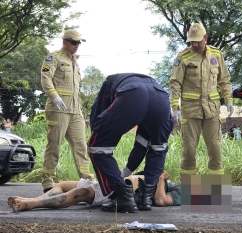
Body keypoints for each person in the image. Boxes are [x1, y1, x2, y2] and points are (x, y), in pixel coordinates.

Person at [88, 73, 174, 213]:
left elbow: (98, 116)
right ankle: (145, 198)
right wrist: (125, 172)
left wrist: (99, 135)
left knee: (97, 147)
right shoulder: (142, 90)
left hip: (132, 93)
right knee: (158, 148)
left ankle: (122, 197)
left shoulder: (108, 83)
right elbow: (142, 144)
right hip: (160, 97)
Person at [169, 23, 234, 176]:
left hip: (212, 110)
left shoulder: (216, 55)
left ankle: (215, 193)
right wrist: (174, 108)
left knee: (215, 149)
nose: (195, 44)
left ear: (206, 38)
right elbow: (175, 82)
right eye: (192, 41)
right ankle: (190, 193)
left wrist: (229, 100)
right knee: (189, 150)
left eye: (198, 41)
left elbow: (224, 79)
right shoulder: (183, 57)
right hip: (190, 112)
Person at [40, 29, 95, 193]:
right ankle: (48, 182)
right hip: (58, 109)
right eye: (74, 42)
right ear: (65, 41)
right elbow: (45, 78)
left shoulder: (75, 62)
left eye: (78, 43)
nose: (77, 45)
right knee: (54, 146)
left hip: (76, 111)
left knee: (81, 147)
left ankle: (88, 180)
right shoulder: (54, 57)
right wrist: (54, 96)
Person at [7, 171, 180, 212]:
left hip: (118, 192)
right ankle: (33, 198)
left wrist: (160, 180)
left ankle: (30, 204)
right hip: (114, 181)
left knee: (80, 192)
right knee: (64, 184)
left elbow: (161, 200)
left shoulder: (186, 192)